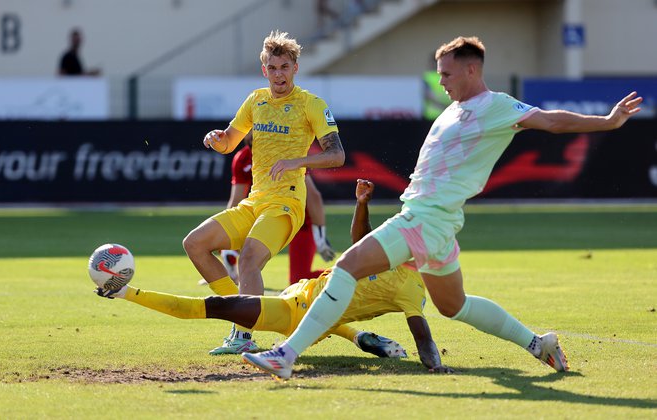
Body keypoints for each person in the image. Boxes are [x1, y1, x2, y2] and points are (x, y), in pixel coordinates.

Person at [242, 35, 643, 379]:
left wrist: (608, 122)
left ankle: (286, 355)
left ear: (471, 70)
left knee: (344, 268)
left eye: (447, 73)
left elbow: (552, 121)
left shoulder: (496, 106)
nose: (441, 80)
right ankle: (540, 344)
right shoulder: (450, 109)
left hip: (425, 218)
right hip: (438, 224)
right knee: (454, 306)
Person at [96, 180, 453, 373]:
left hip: (292, 313)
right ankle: (362, 338)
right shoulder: (387, 255)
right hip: (302, 294)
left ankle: (125, 293)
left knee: (212, 306)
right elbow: (361, 238)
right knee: (330, 308)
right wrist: (361, 203)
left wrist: (435, 365)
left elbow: (422, 333)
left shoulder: (411, 288)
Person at [182, 30, 345, 355]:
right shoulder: (255, 100)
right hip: (255, 202)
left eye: (285, 67)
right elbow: (230, 141)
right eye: (273, 68)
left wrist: (297, 160)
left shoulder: (311, 104)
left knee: (250, 260)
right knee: (195, 244)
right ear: (264, 71)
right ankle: (240, 312)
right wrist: (217, 139)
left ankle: (243, 334)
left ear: (295, 68)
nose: (279, 74)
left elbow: (337, 155)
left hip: (287, 202)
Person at [218, 131, 335, 289]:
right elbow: (236, 201)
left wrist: (319, 234)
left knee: (298, 278)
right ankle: (234, 278)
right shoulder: (243, 158)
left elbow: (313, 196)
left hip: (298, 217)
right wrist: (227, 242)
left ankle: (349, 272)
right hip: (266, 211)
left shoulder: (285, 154)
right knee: (246, 254)